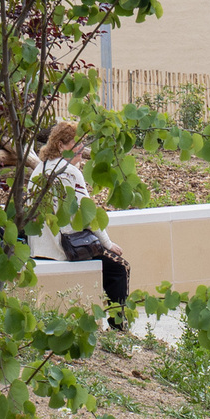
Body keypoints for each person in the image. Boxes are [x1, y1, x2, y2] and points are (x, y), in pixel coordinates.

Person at [28, 122, 131, 313]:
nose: (81, 150)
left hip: (39, 247)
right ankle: (118, 326)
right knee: (120, 268)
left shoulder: (38, 170)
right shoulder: (71, 173)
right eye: (77, 145)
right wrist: (108, 243)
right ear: (61, 145)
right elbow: (88, 214)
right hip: (63, 248)